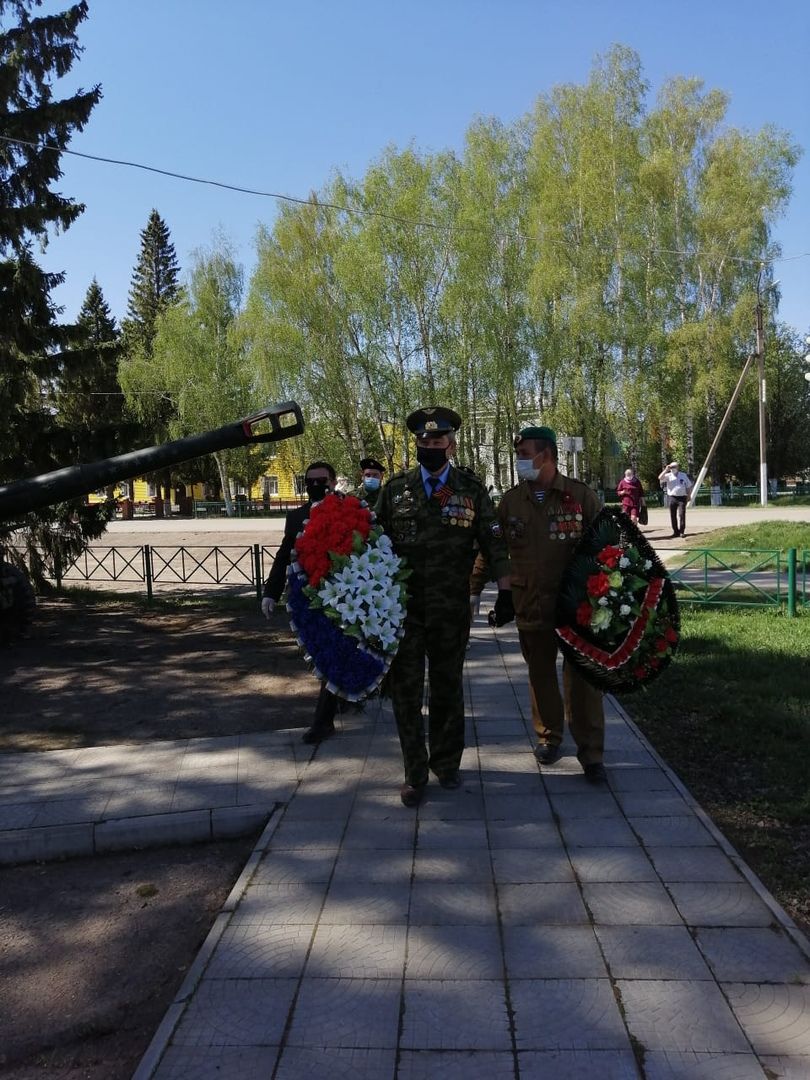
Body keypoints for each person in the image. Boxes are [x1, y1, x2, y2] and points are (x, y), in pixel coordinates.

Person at [376, 406, 511, 807]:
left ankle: (447, 764)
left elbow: (495, 543)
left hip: (451, 609)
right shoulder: (395, 490)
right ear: (416, 444)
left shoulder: (471, 489)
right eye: (424, 442)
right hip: (405, 611)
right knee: (406, 691)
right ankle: (414, 773)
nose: (430, 447)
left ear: (451, 445)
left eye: (437, 442)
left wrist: (506, 593)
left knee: (448, 688)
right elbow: (371, 542)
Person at [496, 426, 607, 783]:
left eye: (525, 454)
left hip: (577, 608)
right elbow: (494, 549)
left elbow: (607, 544)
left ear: (546, 456)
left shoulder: (580, 496)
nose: (520, 461)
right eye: (519, 454)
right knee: (539, 674)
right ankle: (548, 738)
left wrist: (608, 592)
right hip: (530, 603)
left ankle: (591, 754)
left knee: (582, 682)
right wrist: (480, 591)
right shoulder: (512, 502)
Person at [261, 461, 341, 744]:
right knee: (323, 657)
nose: (315, 486)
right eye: (309, 481)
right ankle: (338, 703)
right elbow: (285, 555)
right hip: (310, 599)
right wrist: (270, 592)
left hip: (344, 597)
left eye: (321, 480)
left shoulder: (349, 509)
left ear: (333, 481)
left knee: (332, 656)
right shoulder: (297, 517)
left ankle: (323, 722)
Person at [658, 460, 692, 538]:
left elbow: (688, 486)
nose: (673, 468)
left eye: (674, 466)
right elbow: (660, 477)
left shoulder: (683, 475)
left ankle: (682, 531)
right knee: (672, 515)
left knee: (681, 514)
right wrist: (666, 469)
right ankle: (675, 531)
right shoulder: (668, 475)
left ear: (678, 467)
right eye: (671, 467)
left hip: (682, 497)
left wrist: (689, 495)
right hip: (672, 497)